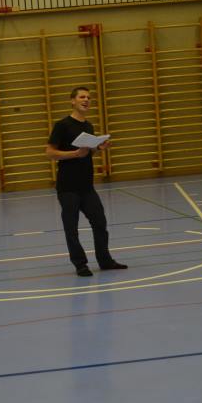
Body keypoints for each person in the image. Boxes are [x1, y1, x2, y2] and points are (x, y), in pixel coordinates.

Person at [46, 86, 127, 277]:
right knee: (71, 228)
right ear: (72, 101)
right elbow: (50, 152)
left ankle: (105, 260)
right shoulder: (62, 125)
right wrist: (75, 153)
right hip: (68, 187)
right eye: (82, 97)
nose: (86, 100)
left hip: (87, 187)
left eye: (89, 97)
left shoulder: (88, 126)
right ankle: (80, 264)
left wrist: (98, 148)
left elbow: (87, 153)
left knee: (100, 222)